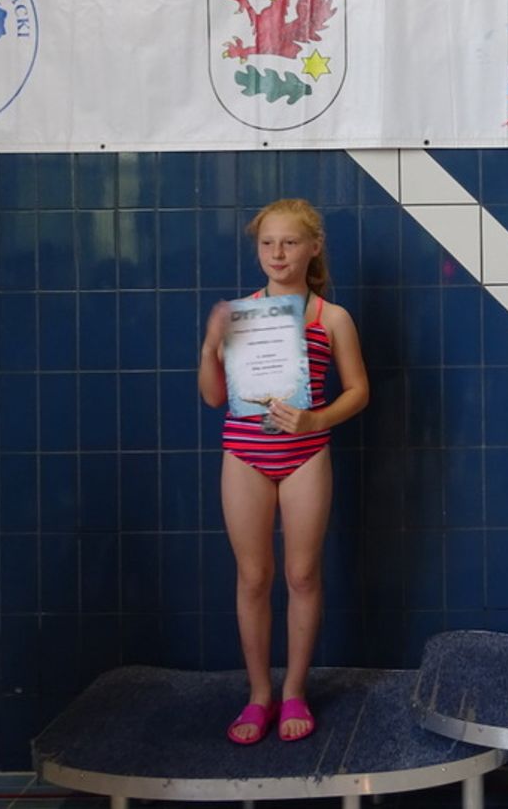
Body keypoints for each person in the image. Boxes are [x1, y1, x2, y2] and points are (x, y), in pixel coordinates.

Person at [199, 199, 369, 744]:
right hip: (245, 454)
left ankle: (294, 689)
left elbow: (359, 391)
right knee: (253, 577)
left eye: (290, 243)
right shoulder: (238, 315)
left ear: (313, 248)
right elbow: (213, 397)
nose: (277, 253)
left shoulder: (331, 318)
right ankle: (258, 694)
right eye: (267, 243)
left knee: (301, 575)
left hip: (306, 454)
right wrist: (212, 344)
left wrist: (316, 418)